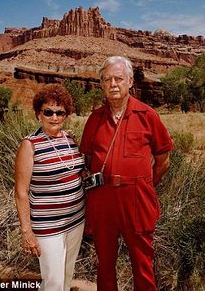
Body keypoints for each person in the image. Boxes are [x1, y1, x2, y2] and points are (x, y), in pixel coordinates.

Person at [80, 56, 174, 291]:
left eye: (119, 78)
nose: (113, 84)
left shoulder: (147, 115)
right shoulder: (94, 119)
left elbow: (163, 160)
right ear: (101, 83)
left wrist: (144, 185)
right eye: (107, 79)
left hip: (137, 199)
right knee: (105, 263)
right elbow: (86, 160)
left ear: (130, 81)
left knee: (142, 264)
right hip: (103, 199)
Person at [15, 84, 85, 291]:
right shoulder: (30, 145)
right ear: (39, 114)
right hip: (48, 227)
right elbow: (21, 192)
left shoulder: (70, 139)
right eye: (48, 112)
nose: (54, 117)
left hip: (76, 221)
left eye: (60, 112)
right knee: (52, 281)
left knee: (66, 275)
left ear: (66, 115)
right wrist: (27, 231)